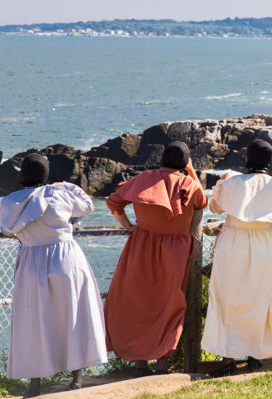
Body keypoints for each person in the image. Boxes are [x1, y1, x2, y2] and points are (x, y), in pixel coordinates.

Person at [0, 153, 107, 398]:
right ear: (47, 175)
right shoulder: (59, 194)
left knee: (33, 319)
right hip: (67, 257)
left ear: (22, 175)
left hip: (32, 259)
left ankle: (35, 383)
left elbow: (7, 229)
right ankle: (76, 379)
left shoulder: (10, 201)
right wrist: (61, 184)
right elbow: (87, 205)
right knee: (73, 314)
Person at [104, 141, 207, 377]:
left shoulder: (144, 178)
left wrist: (129, 226)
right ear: (184, 162)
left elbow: (115, 203)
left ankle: (140, 363)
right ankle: (163, 363)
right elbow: (203, 202)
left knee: (138, 301)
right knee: (171, 303)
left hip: (141, 244)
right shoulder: (189, 184)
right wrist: (190, 171)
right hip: (176, 251)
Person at [201, 139, 272, 376]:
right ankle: (255, 355)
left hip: (235, 243)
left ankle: (227, 360)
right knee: (260, 298)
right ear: (269, 161)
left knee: (227, 299)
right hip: (266, 244)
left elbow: (216, 208)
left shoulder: (233, 183)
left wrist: (219, 187)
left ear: (247, 159)